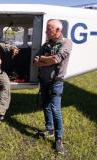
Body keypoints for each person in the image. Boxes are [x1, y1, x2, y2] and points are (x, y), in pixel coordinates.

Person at [33, 19, 72, 154]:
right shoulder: (46, 44)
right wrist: (47, 60)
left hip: (56, 81)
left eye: (49, 29)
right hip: (44, 81)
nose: (46, 31)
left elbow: (57, 59)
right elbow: (35, 61)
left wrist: (43, 59)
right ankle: (49, 129)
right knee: (45, 105)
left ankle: (58, 139)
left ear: (57, 31)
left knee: (55, 109)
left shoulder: (66, 43)